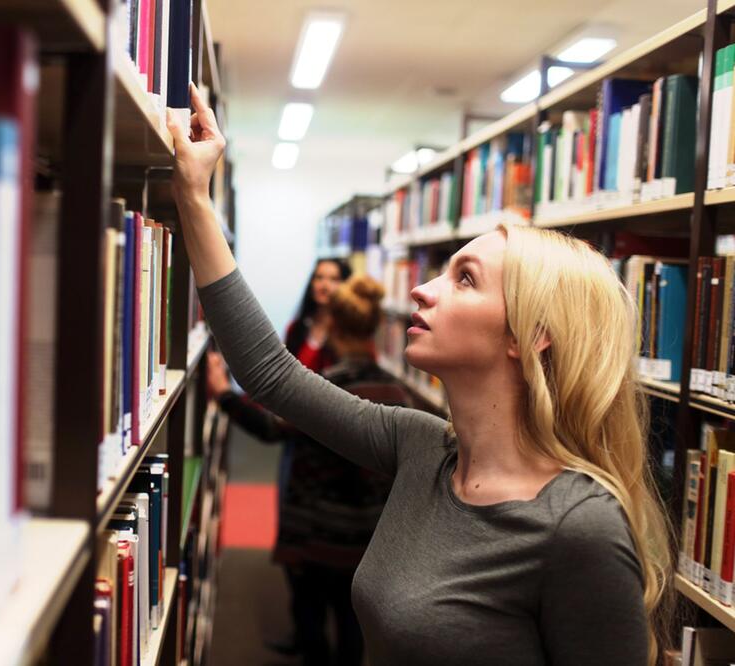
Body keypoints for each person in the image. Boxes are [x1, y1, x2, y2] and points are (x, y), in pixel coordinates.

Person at [165, 86, 673, 666]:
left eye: (464, 279)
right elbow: (270, 374)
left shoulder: (579, 529)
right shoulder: (422, 447)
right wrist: (193, 197)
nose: (420, 290)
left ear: (528, 336)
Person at [208, 274, 410, 666]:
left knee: (309, 616)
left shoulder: (325, 390)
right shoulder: (395, 392)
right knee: (352, 628)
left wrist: (223, 395)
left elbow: (270, 428)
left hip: (315, 533)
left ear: (332, 324)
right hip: (366, 538)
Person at [211, 257, 349, 657]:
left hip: (329, 448)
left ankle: (319, 638)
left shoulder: (347, 337)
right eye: (319, 277)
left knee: (322, 549)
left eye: (333, 278)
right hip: (295, 442)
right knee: (293, 538)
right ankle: (304, 632)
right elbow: (279, 384)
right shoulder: (299, 328)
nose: (324, 285)